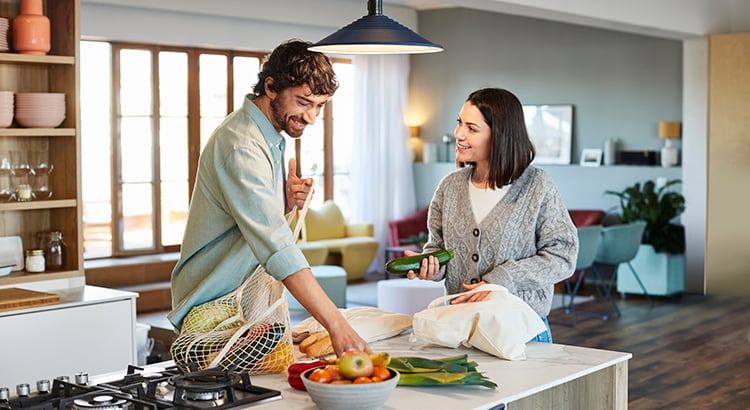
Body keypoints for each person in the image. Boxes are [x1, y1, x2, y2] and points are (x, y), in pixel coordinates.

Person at [168, 39, 369, 356]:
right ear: (271, 86)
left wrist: (285, 203)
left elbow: (252, 220)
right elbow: (276, 246)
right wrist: (337, 324)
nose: (312, 117)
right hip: (213, 305)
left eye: (320, 106)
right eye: (304, 102)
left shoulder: (269, 135)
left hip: (245, 303)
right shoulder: (243, 145)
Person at [405, 87, 578, 342]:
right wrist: (430, 266)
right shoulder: (449, 187)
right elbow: (439, 247)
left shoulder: (538, 186)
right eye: (459, 123)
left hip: (521, 333)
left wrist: (503, 278)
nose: (459, 135)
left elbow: (563, 256)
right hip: (460, 330)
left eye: (472, 129)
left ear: (500, 136)